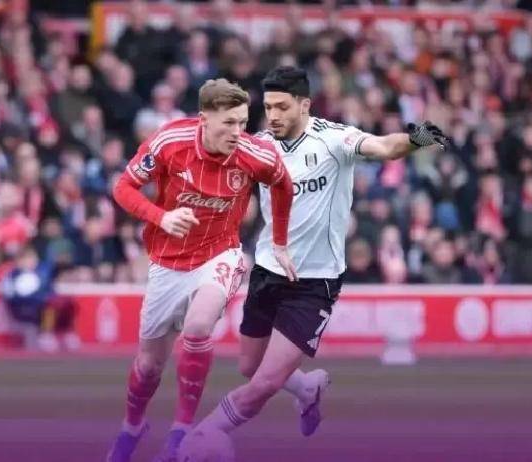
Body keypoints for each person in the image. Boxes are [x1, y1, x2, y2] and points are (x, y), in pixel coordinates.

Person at [191, 66, 447, 440]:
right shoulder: (258, 145)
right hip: (267, 270)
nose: (273, 116)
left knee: (263, 384)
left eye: (282, 107)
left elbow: (384, 147)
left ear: (304, 105)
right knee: (250, 366)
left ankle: (196, 440)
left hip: (313, 283)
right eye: (269, 107)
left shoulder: (334, 139)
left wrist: (419, 137)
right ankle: (307, 388)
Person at [105, 78, 296, 462]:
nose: (237, 132)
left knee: (197, 327)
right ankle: (133, 427)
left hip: (220, 254)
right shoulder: (169, 142)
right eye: (228, 123)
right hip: (168, 262)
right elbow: (123, 188)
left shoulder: (254, 154)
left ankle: (181, 432)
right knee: (148, 366)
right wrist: (161, 217)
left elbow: (283, 185)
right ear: (204, 118)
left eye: (242, 122)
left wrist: (279, 242)